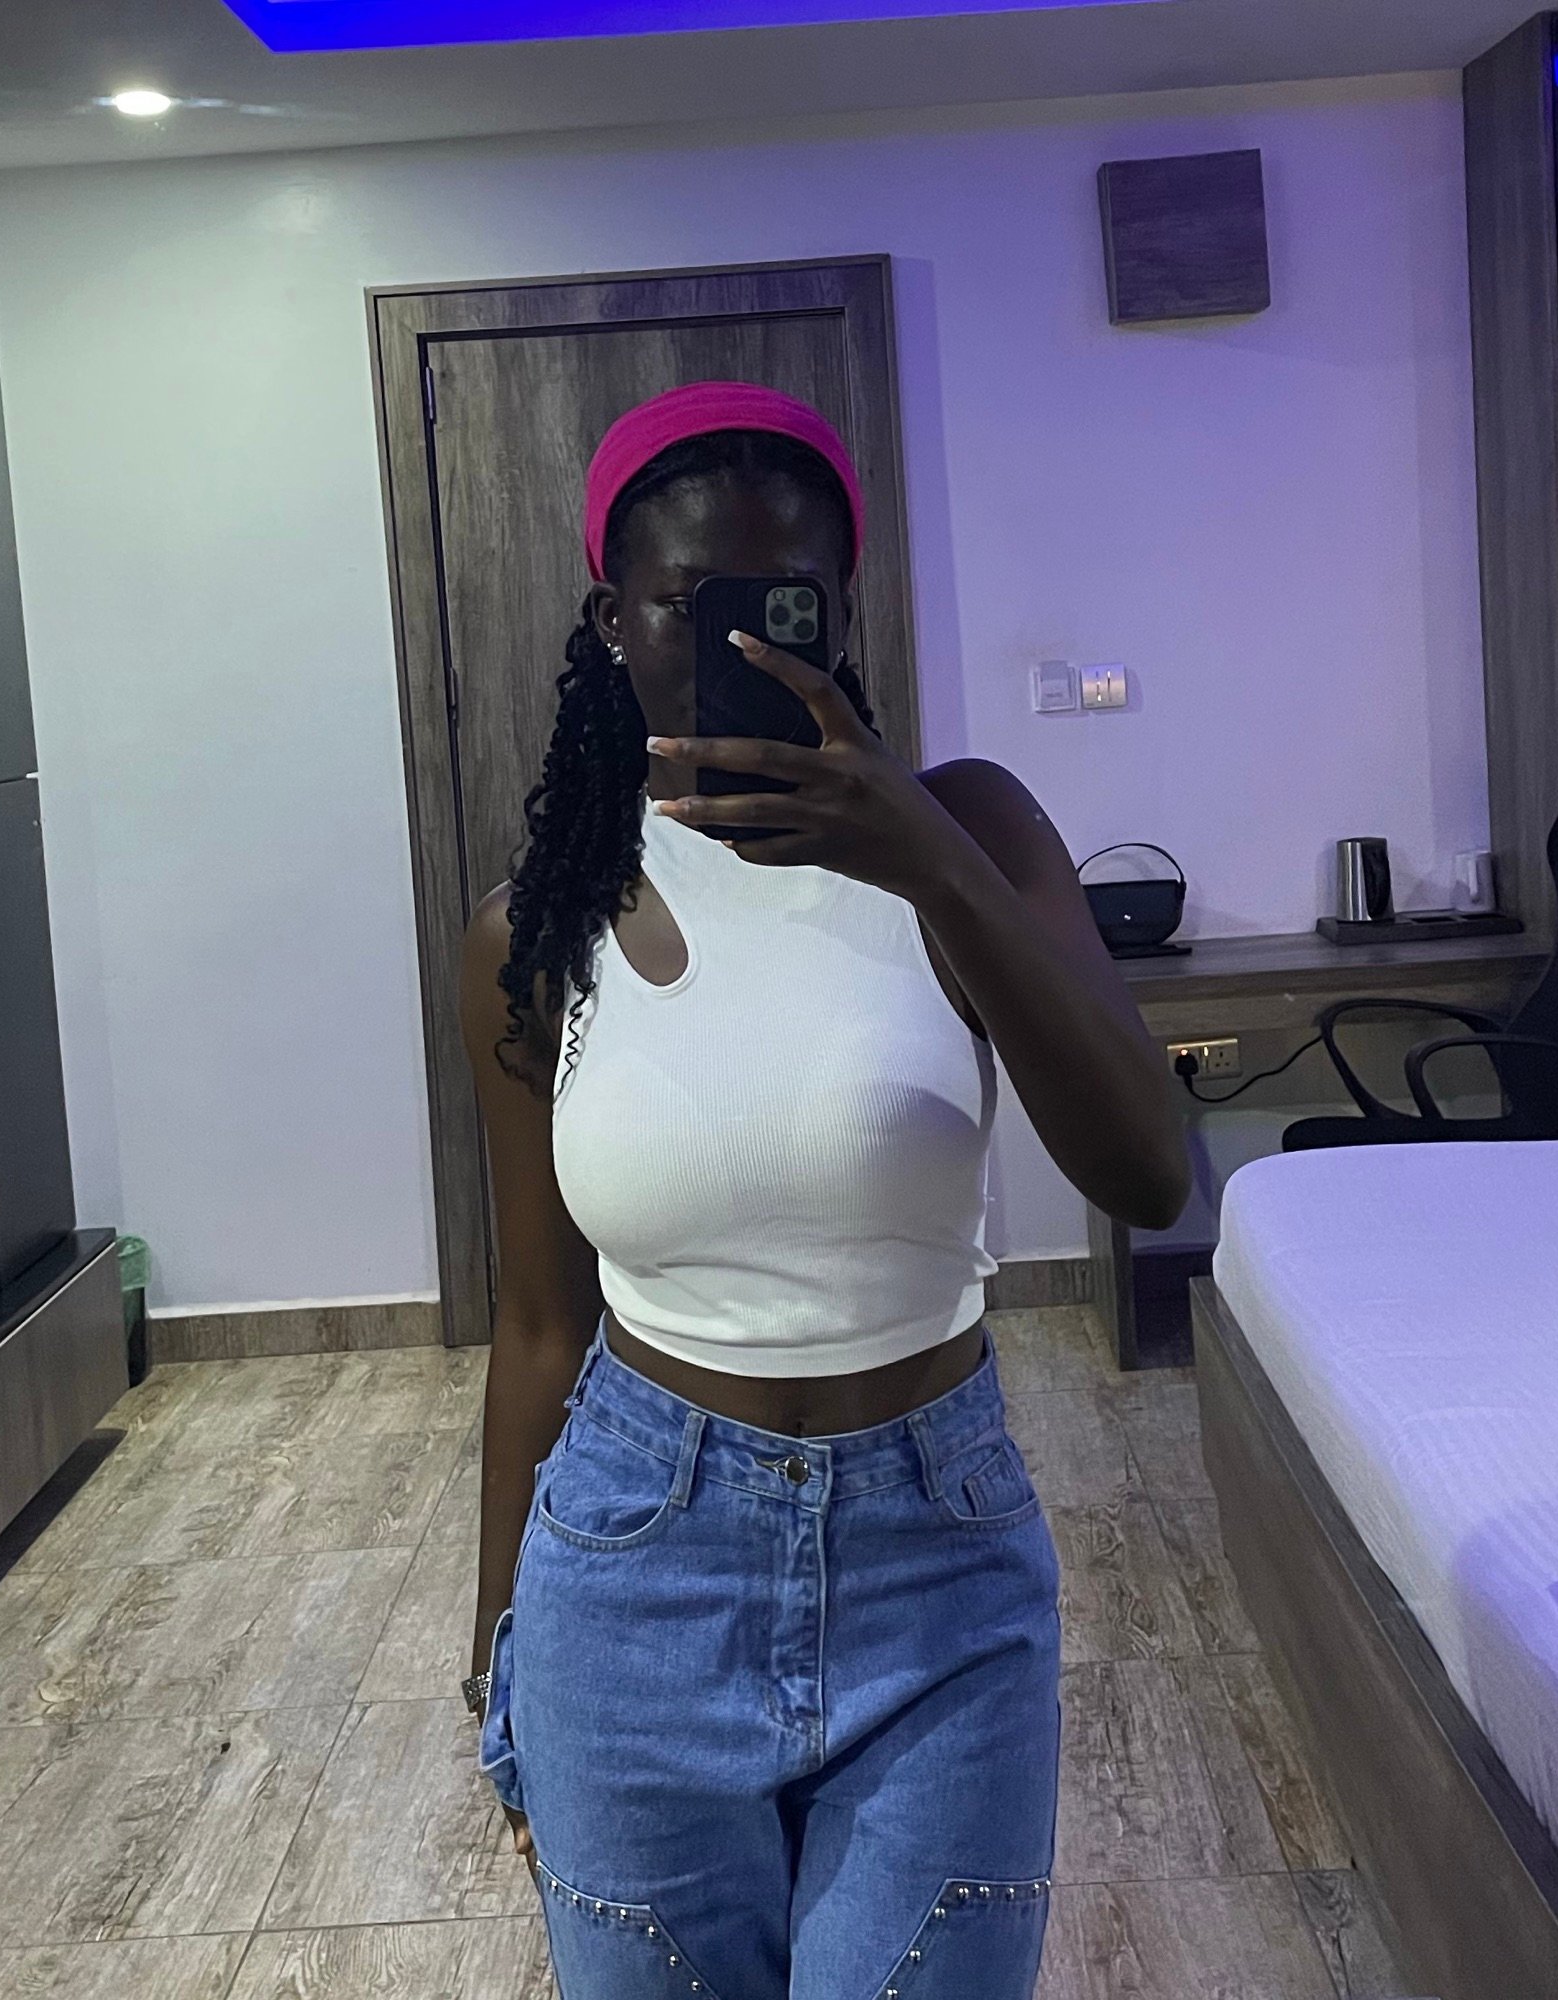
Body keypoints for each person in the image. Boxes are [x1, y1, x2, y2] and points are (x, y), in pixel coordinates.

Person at [460, 381, 1187, 1998]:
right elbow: (535, 1328)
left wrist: (922, 857)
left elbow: (1147, 1166)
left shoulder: (972, 828)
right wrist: (493, 1662)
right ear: (612, 621)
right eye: (691, 602)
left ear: (840, 611)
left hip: (940, 1568)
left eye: (787, 601)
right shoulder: (535, 928)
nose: (743, 639)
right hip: (631, 1569)